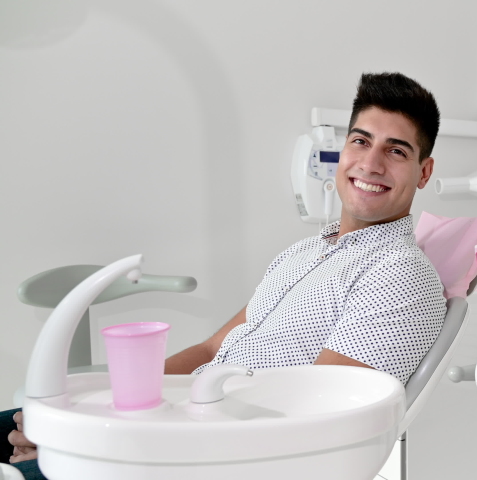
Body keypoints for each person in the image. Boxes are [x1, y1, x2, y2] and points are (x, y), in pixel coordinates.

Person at [4, 72, 447, 479]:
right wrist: (116, 401)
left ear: (423, 172)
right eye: (360, 141)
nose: (370, 164)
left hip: (217, 455)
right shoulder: (305, 252)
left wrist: (96, 442)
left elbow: (313, 417)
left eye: (396, 150)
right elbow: (212, 347)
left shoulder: (398, 274)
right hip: (186, 423)